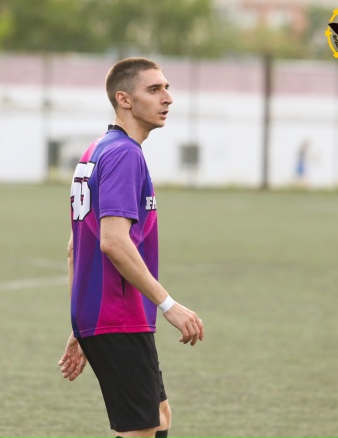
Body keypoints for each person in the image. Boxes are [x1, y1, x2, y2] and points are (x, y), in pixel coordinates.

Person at [58, 57, 204, 438]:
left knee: (158, 416)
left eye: (167, 88)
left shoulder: (96, 151)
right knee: (140, 429)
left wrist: (80, 323)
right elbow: (112, 241)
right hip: (117, 314)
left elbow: (75, 247)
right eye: (154, 90)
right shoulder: (124, 154)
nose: (167, 98)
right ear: (124, 99)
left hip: (105, 315)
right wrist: (168, 305)